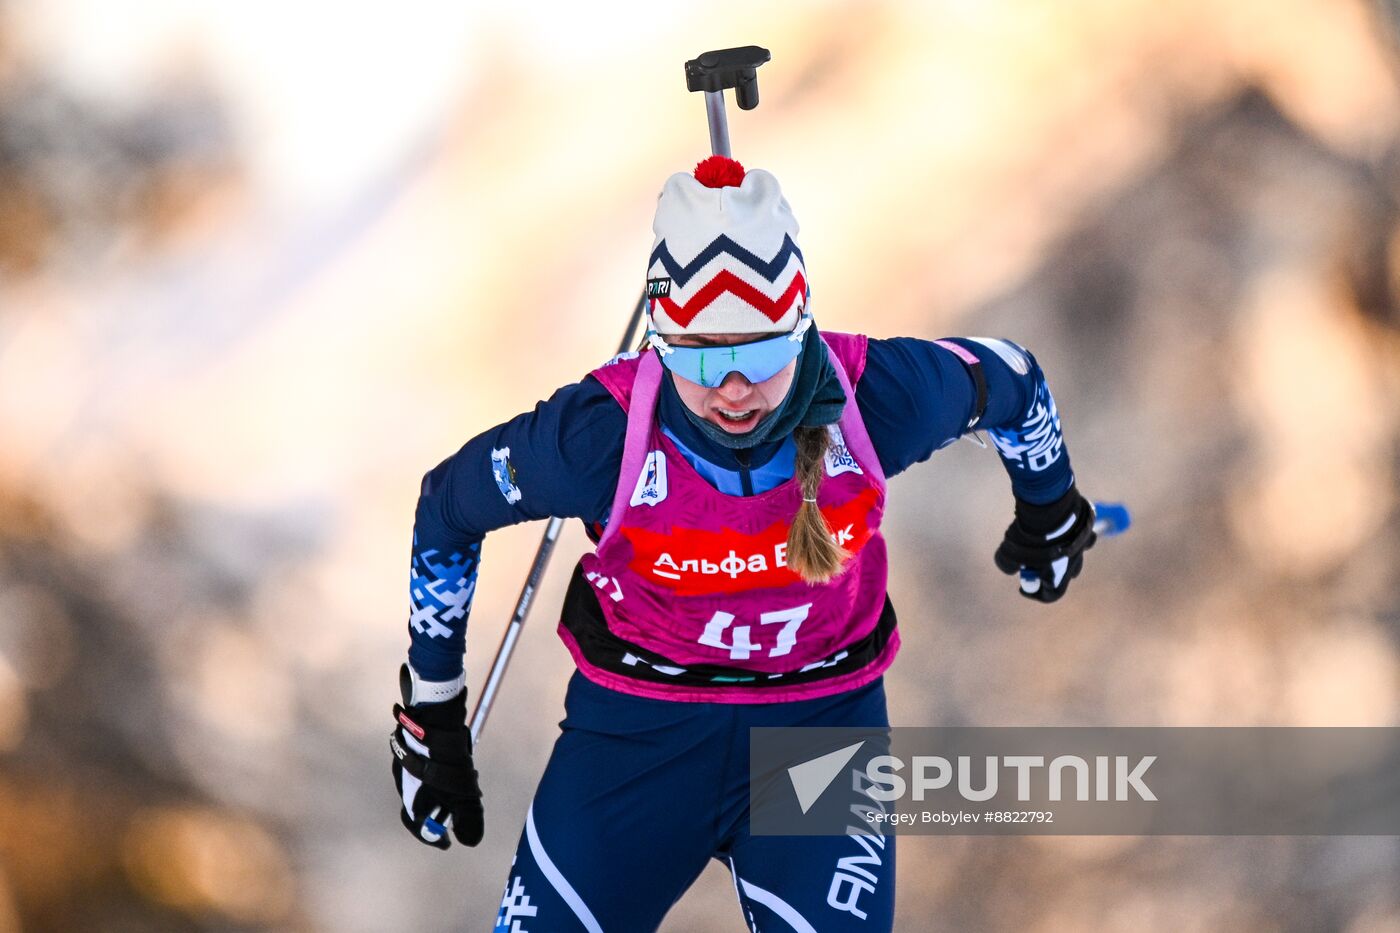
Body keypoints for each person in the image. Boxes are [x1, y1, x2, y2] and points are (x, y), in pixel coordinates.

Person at [389, 155, 1098, 932]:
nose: (732, 389)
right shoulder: (599, 436)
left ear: (802, 327)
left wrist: (1049, 509)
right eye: (700, 357)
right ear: (657, 338)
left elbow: (1014, 380)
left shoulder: (878, 398)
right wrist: (433, 710)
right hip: (635, 736)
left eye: (760, 354)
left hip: (821, 736)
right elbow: (447, 509)